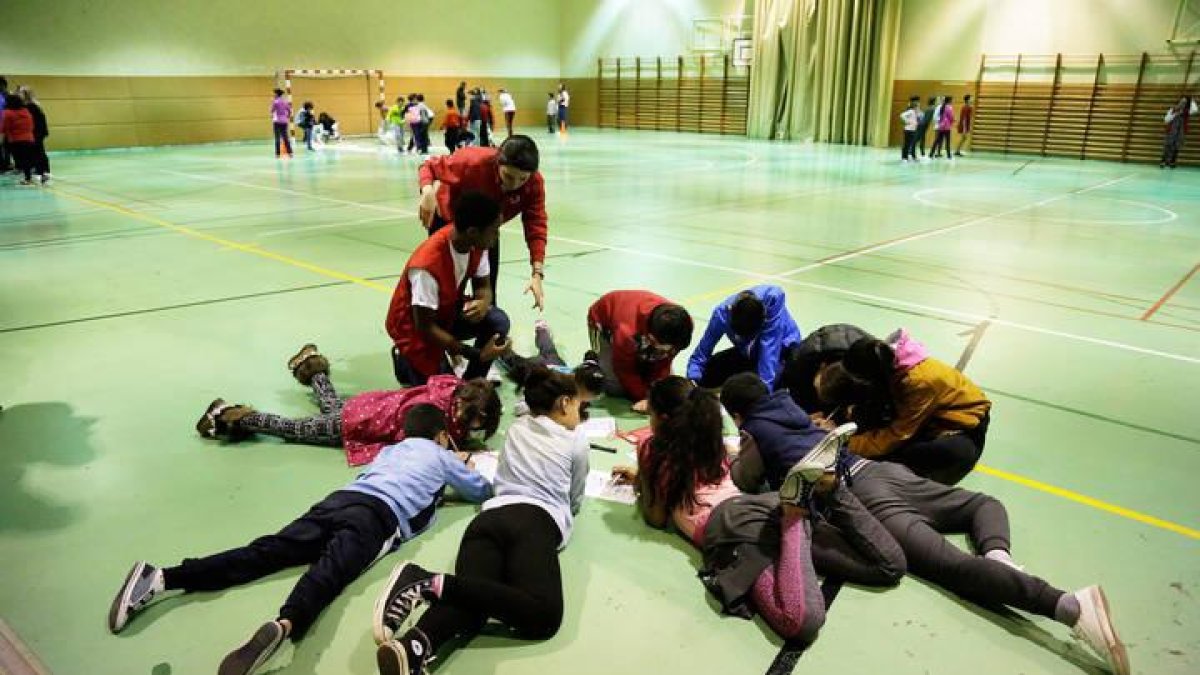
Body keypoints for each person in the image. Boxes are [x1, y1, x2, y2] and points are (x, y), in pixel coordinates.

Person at [720, 378, 1129, 675]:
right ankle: (999, 557)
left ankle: (1070, 607)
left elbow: (745, 480)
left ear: (738, 414)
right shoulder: (792, 407)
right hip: (882, 471)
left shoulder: (754, 429)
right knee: (981, 504)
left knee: (951, 567)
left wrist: (736, 451)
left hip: (866, 498)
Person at [107, 405, 492, 675]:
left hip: (339, 500)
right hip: (376, 518)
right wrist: (460, 461)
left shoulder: (391, 450)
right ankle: (286, 623)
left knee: (266, 551)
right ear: (442, 435)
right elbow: (480, 490)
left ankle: (162, 577)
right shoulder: (441, 455)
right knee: (330, 572)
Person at [611, 377, 872, 643]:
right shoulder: (710, 439)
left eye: (651, 414)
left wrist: (645, 479)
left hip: (728, 529)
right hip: (757, 506)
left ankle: (795, 520)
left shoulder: (652, 449)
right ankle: (799, 516)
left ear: (663, 419)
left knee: (797, 622)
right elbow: (686, 478)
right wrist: (642, 477)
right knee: (877, 567)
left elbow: (656, 518)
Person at [372, 366, 590, 674]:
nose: (581, 414)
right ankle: (425, 580)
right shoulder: (576, 440)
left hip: (487, 520)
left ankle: (413, 647)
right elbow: (575, 498)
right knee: (544, 616)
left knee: (474, 602)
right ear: (565, 403)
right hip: (533, 521)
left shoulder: (518, 427)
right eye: (580, 406)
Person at [193, 343, 501, 465]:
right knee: (294, 429)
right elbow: (413, 444)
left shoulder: (452, 392)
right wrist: (451, 454)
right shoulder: (431, 412)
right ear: (474, 412)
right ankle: (229, 415)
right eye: (479, 424)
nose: (475, 430)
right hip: (357, 424)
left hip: (365, 407)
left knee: (332, 405)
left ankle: (312, 366)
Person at [817, 330, 990, 485]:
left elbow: (896, 435)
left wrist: (845, 444)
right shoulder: (883, 357)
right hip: (931, 416)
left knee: (894, 461)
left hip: (963, 427)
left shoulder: (918, 382)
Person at [386, 191, 512, 386]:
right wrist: (475, 354)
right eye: (494, 230)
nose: (497, 236)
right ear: (472, 232)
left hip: (446, 313)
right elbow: (425, 327)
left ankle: (472, 384)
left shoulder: (477, 245)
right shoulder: (426, 266)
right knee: (443, 394)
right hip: (416, 331)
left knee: (497, 321)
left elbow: (483, 286)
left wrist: (483, 302)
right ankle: (405, 360)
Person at [416, 136, 548, 308]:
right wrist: (427, 191)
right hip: (450, 223)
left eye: (522, 179)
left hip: (486, 231)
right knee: (448, 291)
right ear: (498, 162)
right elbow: (428, 166)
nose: (514, 184)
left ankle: (485, 321)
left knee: (487, 295)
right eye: (508, 176)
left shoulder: (534, 183)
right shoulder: (471, 161)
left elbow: (536, 224)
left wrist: (537, 273)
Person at [586, 290, 692, 412]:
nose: (672, 351)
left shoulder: (684, 325)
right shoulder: (627, 333)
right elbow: (624, 369)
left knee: (659, 380)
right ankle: (591, 359)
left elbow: (665, 360)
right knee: (615, 388)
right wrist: (645, 397)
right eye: (669, 348)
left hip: (637, 330)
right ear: (652, 338)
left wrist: (657, 386)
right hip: (602, 322)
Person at [687, 285, 802, 391]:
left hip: (781, 351)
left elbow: (769, 352)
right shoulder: (721, 314)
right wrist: (693, 380)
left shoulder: (773, 301)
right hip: (749, 353)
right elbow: (701, 354)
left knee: (757, 387)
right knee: (711, 368)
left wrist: (763, 392)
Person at [775, 323, 873, 415]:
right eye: (816, 386)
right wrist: (805, 416)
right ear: (822, 366)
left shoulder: (870, 376)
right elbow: (791, 389)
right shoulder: (801, 359)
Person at [1, 94, 37, 186]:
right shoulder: (26, 111)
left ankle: (25, 177)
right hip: (29, 138)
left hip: (15, 140)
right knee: (27, 159)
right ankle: (28, 178)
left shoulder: (7, 113)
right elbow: (31, 124)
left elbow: (4, 127)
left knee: (19, 159)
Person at [1160, 95, 1197, 169]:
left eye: (1185, 102)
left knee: (1176, 147)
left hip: (1180, 131)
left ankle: (1172, 162)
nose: (1182, 103)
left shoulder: (1187, 111)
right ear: (1179, 101)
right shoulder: (1173, 109)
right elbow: (1166, 120)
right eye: (1182, 101)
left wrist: (1192, 100)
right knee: (1168, 145)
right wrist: (1174, 114)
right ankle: (1163, 161)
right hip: (1171, 131)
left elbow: (1195, 110)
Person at [270, 88, 293, 158]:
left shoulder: (275, 102)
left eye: (274, 93)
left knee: (277, 138)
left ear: (277, 94)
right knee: (285, 137)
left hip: (277, 121)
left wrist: (272, 102)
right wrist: (287, 117)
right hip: (284, 121)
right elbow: (290, 111)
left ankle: (277, 154)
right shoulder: (285, 101)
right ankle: (290, 153)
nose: (273, 95)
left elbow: (271, 110)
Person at [900, 96, 922, 163]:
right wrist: (907, 121)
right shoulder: (911, 111)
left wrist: (918, 112)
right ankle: (904, 157)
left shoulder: (915, 111)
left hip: (913, 129)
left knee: (913, 143)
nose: (918, 104)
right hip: (908, 130)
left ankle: (913, 156)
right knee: (906, 144)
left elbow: (919, 117)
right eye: (917, 103)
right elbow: (902, 115)